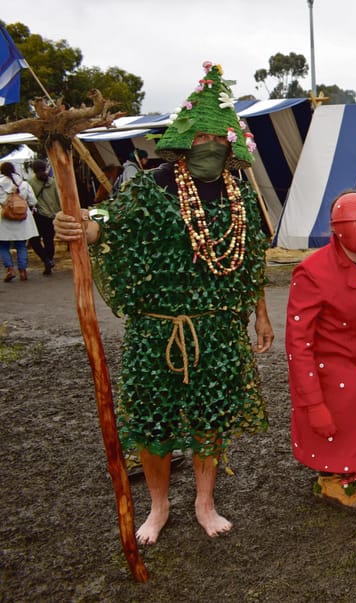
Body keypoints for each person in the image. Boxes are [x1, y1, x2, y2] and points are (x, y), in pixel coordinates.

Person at [54, 61, 273, 545]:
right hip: (156, 331)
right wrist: (81, 225)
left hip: (217, 329)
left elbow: (249, 260)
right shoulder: (153, 186)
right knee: (152, 423)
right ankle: (158, 505)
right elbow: (110, 224)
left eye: (216, 138)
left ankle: (204, 501)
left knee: (210, 419)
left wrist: (260, 314)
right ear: (184, 140)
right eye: (200, 137)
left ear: (231, 143)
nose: (208, 145)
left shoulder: (239, 196)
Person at [285, 191, 356, 512]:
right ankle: (333, 479)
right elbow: (298, 342)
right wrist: (312, 402)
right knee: (349, 397)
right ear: (335, 228)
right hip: (335, 367)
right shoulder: (312, 271)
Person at [0, 162, 39, 282]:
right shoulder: (24, 184)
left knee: (3, 245)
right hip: (22, 218)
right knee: (21, 245)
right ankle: (23, 271)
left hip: (3, 218)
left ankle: (10, 269)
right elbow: (33, 201)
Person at [27, 159, 59, 276]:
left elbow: (30, 200)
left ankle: (46, 259)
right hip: (53, 215)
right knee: (49, 240)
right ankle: (49, 260)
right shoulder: (53, 182)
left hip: (39, 215)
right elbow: (58, 198)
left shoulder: (31, 182)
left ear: (33, 170)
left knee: (34, 240)